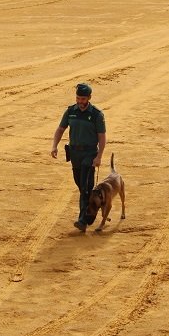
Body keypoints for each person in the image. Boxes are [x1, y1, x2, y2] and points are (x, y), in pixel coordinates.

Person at [50, 83, 106, 233]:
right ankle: (94, 208)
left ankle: (82, 220)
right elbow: (60, 129)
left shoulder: (96, 114)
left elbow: (102, 137)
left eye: (83, 99)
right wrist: (54, 146)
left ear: (89, 98)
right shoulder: (70, 112)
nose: (80, 101)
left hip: (89, 155)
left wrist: (99, 156)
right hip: (75, 155)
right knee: (82, 185)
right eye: (78, 98)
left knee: (84, 186)